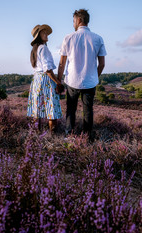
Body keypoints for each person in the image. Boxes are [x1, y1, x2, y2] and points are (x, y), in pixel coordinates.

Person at [58, 9, 107, 140]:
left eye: (74, 21)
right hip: (90, 81)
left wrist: (58, 81)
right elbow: (102, 64)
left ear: (79, 20)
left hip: (72, 80)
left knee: (70, 110)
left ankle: (69, 135)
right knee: (88, 110)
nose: (73, 23)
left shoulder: (68, 38)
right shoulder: (98, 38)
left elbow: (62, 63)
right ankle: (87, 137)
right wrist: (94, 76)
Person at [27, 24, 63, 133]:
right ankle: (53, 135)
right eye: (43, 32)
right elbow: (47, 69)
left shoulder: (34, 50)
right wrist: (58, 82)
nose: (46, 34)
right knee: (52, 109)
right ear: (38, 36)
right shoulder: (43, 48)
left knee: (37, 109)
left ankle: (36, 136)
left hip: (36, 80)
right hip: (45, 80)